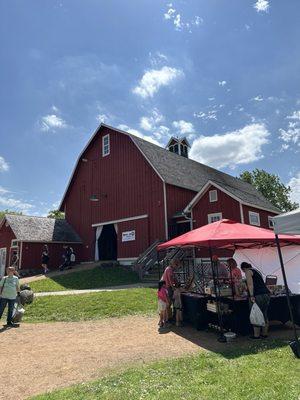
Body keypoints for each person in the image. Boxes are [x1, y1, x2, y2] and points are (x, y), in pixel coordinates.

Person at [240, 262, 270, 339]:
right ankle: (264, 334)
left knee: (256, 314)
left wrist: (251, 295)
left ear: (244, 268)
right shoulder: (256, 271)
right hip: (266, 294)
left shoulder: (248, 271)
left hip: (257, 295)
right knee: (264, 314)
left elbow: (250, 284)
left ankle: (256, 335)